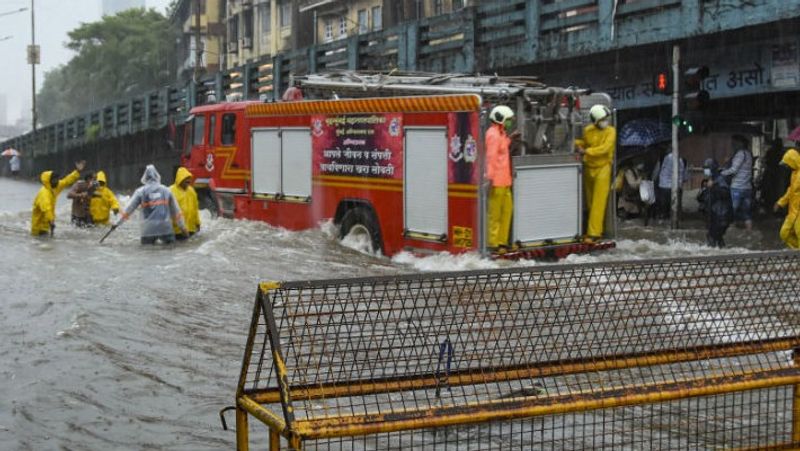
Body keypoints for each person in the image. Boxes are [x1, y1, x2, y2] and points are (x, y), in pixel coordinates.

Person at [114, 165, 187, 245]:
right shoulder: (166, 190)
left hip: (148, 230)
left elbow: (128, 209)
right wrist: (183, 228)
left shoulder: (141, 192)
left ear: (145, 177)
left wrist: (116, 223)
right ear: (157, 176)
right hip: (165, 228)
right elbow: (176, 211)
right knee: (169, 251)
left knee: (147, 252)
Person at [575, 104, 616, 242]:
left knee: (599, 202)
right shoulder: (588, 130)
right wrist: (575, 143)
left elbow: (605, 148)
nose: (606, 121)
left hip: (603, 168)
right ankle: (593, 230)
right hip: (589, 167)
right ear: (596, 120)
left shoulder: (611, 131)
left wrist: (586, 151)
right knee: (590, 202)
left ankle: (594, 234)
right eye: (603, 119)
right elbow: (585, 143)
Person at [485, 105, 519, 251]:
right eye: (508, 120)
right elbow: (491, 158)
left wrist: (510, 138)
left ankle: (502, 242)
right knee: (495, 215)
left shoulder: (501, 133)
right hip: (497, 182)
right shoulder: (492, 134)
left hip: (505, 181)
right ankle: (493, 244)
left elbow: (502, 148)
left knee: (506, 212)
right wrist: (490, 179)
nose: (510, 122)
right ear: (501, 119)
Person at [30, 160, 86, 236]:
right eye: (54, 180)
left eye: (57, 179)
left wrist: (77, 171)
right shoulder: (44, 193)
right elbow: (47, 209)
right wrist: (51, 220)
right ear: (49, 181)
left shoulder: (55, 187)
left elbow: (66, 181)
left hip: (47, 226)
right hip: (39, 228)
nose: (56, 181)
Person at [721, 134, 754, 231]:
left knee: (733, 210)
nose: (732, 144)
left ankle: (731, 231)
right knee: (746, 212)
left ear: (740, 143)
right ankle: (749, 232)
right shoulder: (748, 153)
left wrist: (722, 173)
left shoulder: (740, 154)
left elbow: (734, 170)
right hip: (747, 187)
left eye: (734, 142)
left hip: (738, 187)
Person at [701, 158, 733, 247]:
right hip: (715, 215)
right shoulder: (711, 180)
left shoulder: (720, 179)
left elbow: (725, 193)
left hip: (721, 216)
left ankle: (711, 257)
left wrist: (713, 187)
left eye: (707, 168)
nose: (705, 171)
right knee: (717, 238)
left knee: (712, 237)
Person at [774, 148, 800, 249]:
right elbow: (791, 190)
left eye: (787, 164)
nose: (786, 167)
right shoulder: (794, 174)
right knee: (784, 233)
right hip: (792, 211)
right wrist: (780, 203)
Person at [652, 150, 688, 220]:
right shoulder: (683, 160)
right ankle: (676, 218)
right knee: (676, 206)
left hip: (664, 186)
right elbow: (685, 177)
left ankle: (663, 217)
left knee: (663, 206)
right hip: (677, 186)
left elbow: (655, 174)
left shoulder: (662, 159)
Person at [169, 167, 200, 240]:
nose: (188, 180)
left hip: (191, 228)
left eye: (189, 178)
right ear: (180, 179)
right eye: (186, 178)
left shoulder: (191, 191)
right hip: (176, 230)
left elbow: (195, 208)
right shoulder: (170, 190)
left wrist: (197, 223)